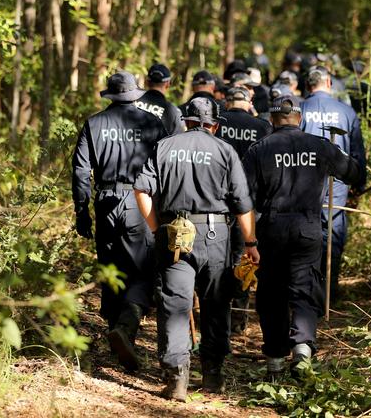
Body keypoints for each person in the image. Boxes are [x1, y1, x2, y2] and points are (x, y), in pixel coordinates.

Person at [134, 96, 260, 401]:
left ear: (185, 121)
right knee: (216, 304)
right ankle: (212, 376)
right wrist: (251, 244)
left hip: (174, 233)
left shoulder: (165, 146)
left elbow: (141, 189)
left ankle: (176, 378)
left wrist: (155, 228)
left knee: (175, 305)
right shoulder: (225, 151)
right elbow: (243, 204)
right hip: (216, 235)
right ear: (214, 125)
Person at [242, 95, 361, 376]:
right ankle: (303, 351)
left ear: (272, 120)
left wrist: (248, 239)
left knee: (271, 293)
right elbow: (353, 172)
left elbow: (244, 196)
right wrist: (333, 156)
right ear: (300, 118)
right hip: (308, 229)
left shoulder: (259, 149)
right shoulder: (319, 146)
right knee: (304, 289)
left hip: (271, 230)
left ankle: (275, 360)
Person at [72, 71, 167, 372]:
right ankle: (125, 329)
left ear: (110, 95)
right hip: (141, 203)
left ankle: (116, 327)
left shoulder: (94, 124)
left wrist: (81, 210)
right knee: (141, 269)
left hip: (106, 202)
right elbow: (165, 169)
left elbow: (80, 171)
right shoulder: (153, 123)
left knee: (111, 264)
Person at [299, 66, 367, 301]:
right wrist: (360, 184)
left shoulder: (300, 108)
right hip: (338, 181)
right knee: (333, 231)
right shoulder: (346, 112)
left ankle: (306, 288)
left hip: (303, 180)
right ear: (328, 83)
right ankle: (329, 290)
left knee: (306, 229)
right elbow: (357, 151)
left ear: (309, 85)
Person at [216, 86, 272, 334]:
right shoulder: (261, 127)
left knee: (218, 257)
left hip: (218, 201)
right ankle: (238, 316)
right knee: (244, 257)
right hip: (250, 202)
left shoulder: (217, 123)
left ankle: (217, 310)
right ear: (249, 102)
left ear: (227, 102)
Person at [135, 64, 184, 134]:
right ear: (168, 84)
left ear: (147, 82)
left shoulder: (131, 103)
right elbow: (178, 140)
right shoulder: (173, 112)